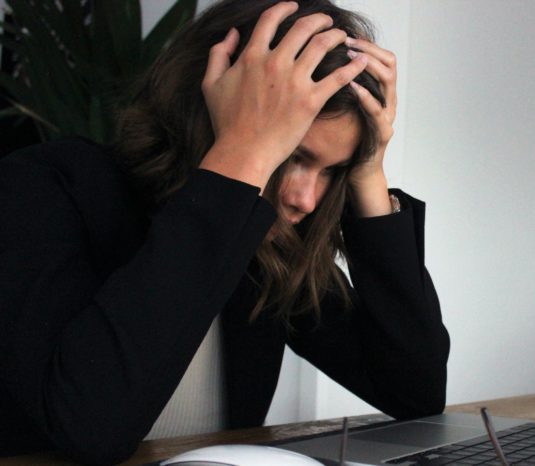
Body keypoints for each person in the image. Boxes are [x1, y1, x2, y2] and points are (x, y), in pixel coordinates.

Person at [0, 0, 449, 464]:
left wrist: (368, 172)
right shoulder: (41, 188)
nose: (305, 200)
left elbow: (414, 393)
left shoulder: (266, 244)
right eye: (292, 155)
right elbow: (89, 428)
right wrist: (242, 156)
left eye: (331, 171)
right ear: (208, 109)